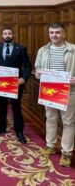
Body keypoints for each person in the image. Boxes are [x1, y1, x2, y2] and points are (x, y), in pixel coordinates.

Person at [35, 22, 75, 167]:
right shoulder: (43, 50)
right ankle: (50, 145)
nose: (54, 35)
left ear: (64, 34)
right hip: (49, 90)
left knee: (68, 122)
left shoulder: (73, 50)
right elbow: (37, 68)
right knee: (50, 119)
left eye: (57, 32)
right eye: (51, 32)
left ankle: (66, 153)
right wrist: (38, 74)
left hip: (69, 92)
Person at [0, 26, 31, 144]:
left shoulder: (21, 48)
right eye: (5, 34)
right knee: (1, 106)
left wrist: (24, 77)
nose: (7, 35)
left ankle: (19, 131)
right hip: (2, 83)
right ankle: (1, 127)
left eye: (9, 33)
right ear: (2, 36)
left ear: (13, 35)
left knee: (16, 107)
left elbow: (27, 66)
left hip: (16, 84)